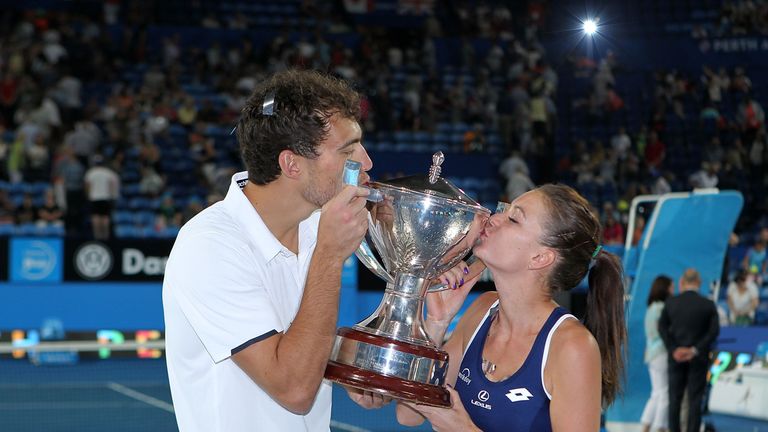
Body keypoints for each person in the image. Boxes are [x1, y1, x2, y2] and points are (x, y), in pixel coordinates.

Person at [162, 70, 374, 432]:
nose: (366, 162)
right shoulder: (209, 245)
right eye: (347, 150)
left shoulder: (313, 228)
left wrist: (350, 361)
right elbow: (293, 388)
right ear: (291, 164)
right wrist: (328, 256)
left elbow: (297, 335)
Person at [395, 184, 627, 431]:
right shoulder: (482, 310)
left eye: (514, 219)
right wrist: (437, 321)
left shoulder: (572, 347)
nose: (493, 219)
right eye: (503, 210)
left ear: (540, 258)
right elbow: (408, 413)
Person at [658, 268, 720, 432]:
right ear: (699, 283)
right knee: (695, 400)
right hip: (698, 360)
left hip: (675, 358)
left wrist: (674, 349)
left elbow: (662, 327)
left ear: (682, 282)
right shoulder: (708, 305)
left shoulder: (671, 302)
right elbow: (714, 332)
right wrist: (694, 350)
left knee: (675, 401)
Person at [641, 275, 674, 432]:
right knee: (664, 393)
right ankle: (660, 427)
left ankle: (646, 426)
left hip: (651, 354)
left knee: (656, 393)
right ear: (665, 288)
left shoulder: (651, 307)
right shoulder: (662, 308)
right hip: (661, 352)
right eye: (671, 287)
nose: (673, 290)